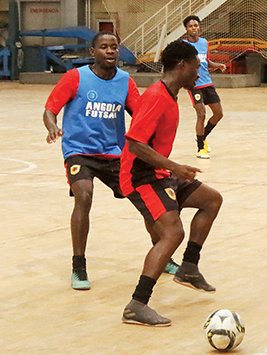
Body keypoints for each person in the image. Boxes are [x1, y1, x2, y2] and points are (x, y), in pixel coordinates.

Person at [120, 40, 223, 327]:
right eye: (196, 67)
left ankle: (189, 266)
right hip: (140, 176)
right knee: (172, 233)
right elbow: (136, 144)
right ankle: (137, 304)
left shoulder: (170, 94)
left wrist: (171, 170)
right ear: (182, 65)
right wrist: (174, 166)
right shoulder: (155, 96)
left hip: (159, 173)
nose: (198, 73)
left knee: (211, 200)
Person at [43, 31, 142, 290]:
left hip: (114, 154)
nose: (110, 51)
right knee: (84, 195)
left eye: (114, 47)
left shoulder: (125, 81)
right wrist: (52, 127)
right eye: (104, 47)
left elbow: (141, 116)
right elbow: (50, 109)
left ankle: (163, 251)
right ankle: (79, 266)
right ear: (92, 52)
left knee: (145, 196)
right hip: (79, 151)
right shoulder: (76, 78)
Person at [182, 15, 227, 159]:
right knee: (201, 113)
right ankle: (200, 148)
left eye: (196, 25)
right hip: (194, 85)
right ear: (186, 29)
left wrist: (217, 65)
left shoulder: (204, 42)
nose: (194, 28)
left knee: (218, 114)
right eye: (191, 26)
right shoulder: (183, 45)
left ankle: (202, 137)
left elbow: (206, 61)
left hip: (208, 83)